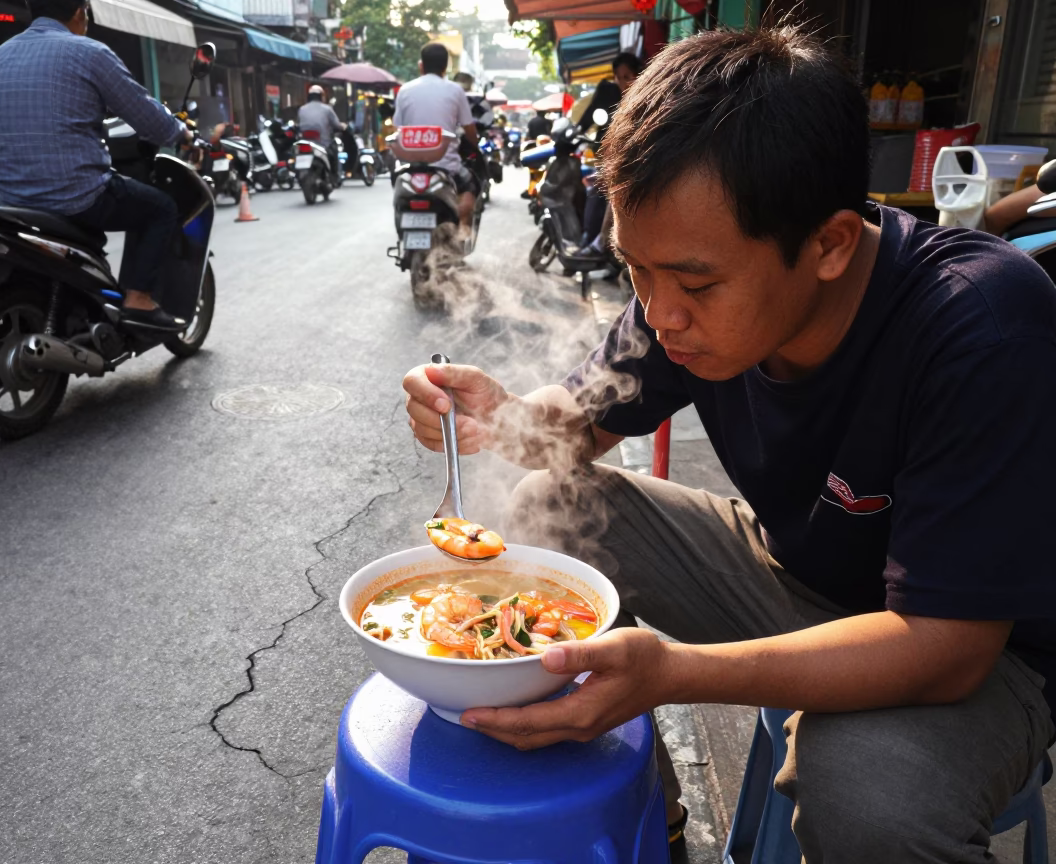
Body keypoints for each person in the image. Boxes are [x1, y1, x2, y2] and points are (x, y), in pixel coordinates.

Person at [403, 27, 1056, 864]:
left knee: (866, 796)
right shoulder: (676, 294)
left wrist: (675, 672)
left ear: (829, 245)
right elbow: (578, 424)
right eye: (635, 271)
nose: (659, 314)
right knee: (549, 508)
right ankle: (656, 827)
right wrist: (498, 416)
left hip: (979, 651)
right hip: (794, 572)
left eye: (695, 284)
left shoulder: (983, 326)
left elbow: (948, 650)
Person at [0, 0, 192, 331]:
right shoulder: (90, 53)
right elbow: (144, 113)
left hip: (13, 203)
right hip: (75, 197)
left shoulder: (0, 56)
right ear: (80, 12)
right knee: (161, 209)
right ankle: (138, 299)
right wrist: (181, 133)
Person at [394, 43, 479, 234]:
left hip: (410, 167)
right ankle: (461, 236)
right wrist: (475, 146)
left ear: (421, 65)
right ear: (446, 66)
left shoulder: (405, 90)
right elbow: (469, 129)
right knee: (470, 186)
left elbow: (397, 128)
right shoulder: (455, 90)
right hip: (446, 167)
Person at [577, 52, 642, 263]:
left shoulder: (645, 99)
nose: (623, 82)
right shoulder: (612, 97)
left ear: (638, 75)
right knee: (594, 187)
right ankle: (592, 241)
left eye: (627, 77)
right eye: (619, 77)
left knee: (616, 191)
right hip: (615, 162)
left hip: (635, 166)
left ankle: (601, 242)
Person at [297, 85, 346, 181]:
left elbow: (298, 124)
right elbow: (336, 125)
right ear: (321, 96)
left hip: (305, 142)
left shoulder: (302, 109)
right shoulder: (327, 109)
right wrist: (343, 126)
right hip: (323, 143)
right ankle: (335, 175)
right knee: (334, 151)